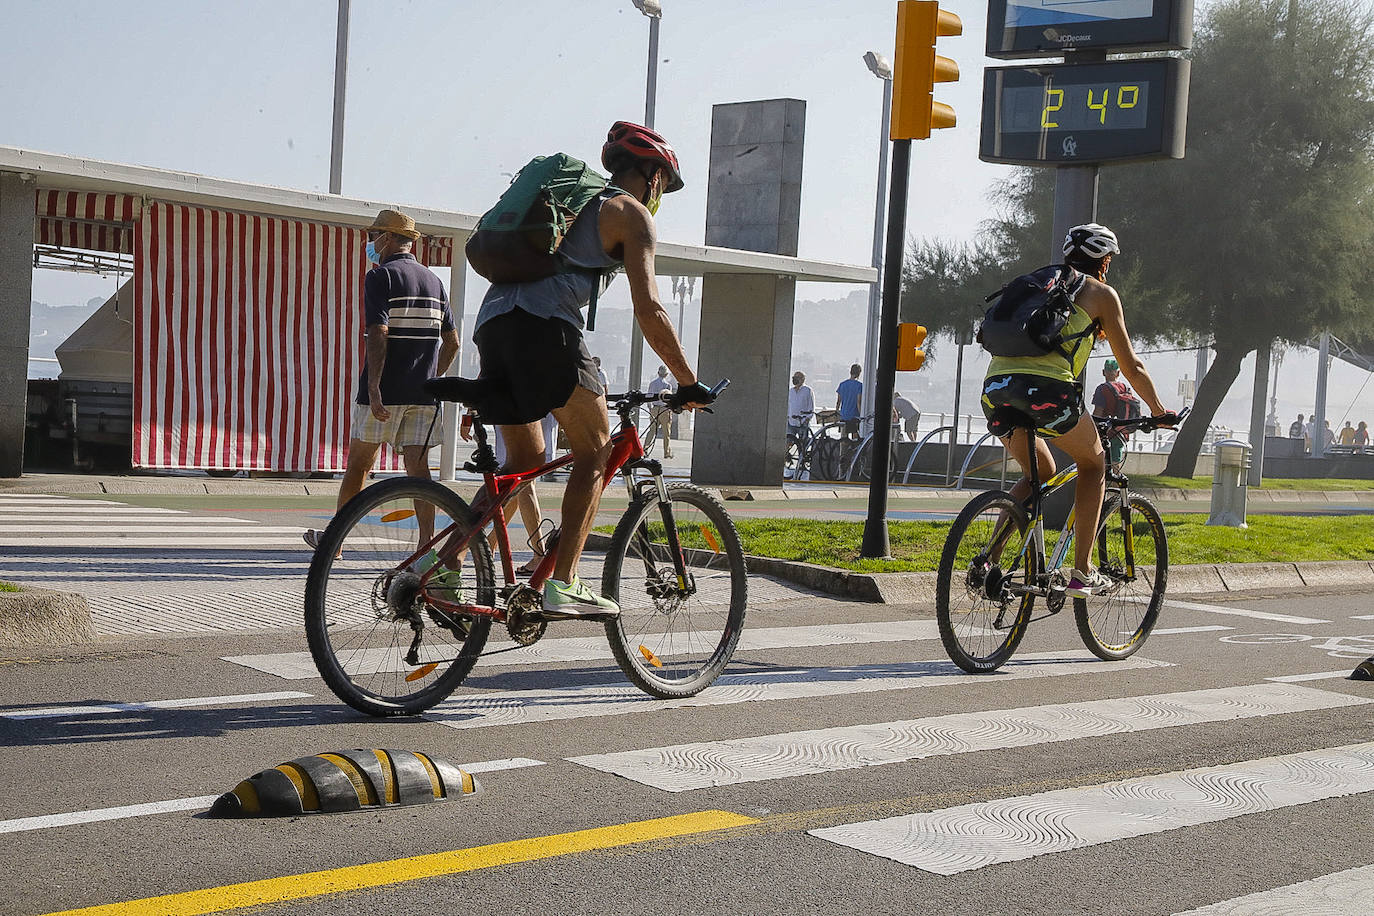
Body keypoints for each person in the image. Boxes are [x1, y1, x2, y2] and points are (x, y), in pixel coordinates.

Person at [470, 121, 711, 618]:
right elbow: (651, 310)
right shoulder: (631, 213)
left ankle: (446, 565)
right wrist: (688, 383)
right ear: (654, 176)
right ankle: (565, 583)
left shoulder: (573, 206)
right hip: (547, 332)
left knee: (524, 461)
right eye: (663, 183)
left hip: (492, 327)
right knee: (595, 450)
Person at [980, 223, 1177, 597]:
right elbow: (1131, 366)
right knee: (1094, 463)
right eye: (1109, 260)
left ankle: (988, 559)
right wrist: (1158, 410)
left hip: (996, 390)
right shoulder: (1100, 293)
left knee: (1040, 473)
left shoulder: (1038, 284)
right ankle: (1083, 571)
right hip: (1048, 392)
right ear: (1103, 260)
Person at [304, 208, 459, 551]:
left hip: (385, 391)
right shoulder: (434, 282)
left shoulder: (381, 276)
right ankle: (426, 546)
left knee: (359, 465)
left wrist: (374, 386)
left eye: (375, 236)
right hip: (423, 395)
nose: (372, 242)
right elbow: (453, 341)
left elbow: (378, 331)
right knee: (420, 473)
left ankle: (335, 544)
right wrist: (433, 377)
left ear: (388, 238)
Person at [1090, 358, 1134, 466]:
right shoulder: (1126, 388)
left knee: (1102, 461)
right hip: (1121, 430)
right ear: (1118, 373)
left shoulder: (1102, 389)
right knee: (1116, 460)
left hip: (1106, 431)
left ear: (1103, 372)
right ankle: (1116, 481)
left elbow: (1098, 413)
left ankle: (1102, 482)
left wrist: (1092, 429)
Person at [646, 365, 674, 458]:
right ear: (666, 375)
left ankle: (645, 449)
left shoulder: (652, 383)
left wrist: (650, 408)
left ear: (658, 373)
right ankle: (666, 452)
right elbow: (669, 400)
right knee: (666, 433)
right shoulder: (668, 385)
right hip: (664, 409)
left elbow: (648, 396)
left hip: (654, 408)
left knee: (652, 430)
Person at [836, 364, 863, 439]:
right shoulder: (859, 385)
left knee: (843, 437)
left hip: (844, 415)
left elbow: (838, 401)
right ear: (859, 373)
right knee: (855, 436)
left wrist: (837, 412)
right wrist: (862, 416)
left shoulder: (842, 384)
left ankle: (843, 450)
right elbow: (858, 402)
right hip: (854, 415)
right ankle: (854, 450)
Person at [787, 371, 815, 441]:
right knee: (788, 442)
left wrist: (807, 419)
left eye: (797, 378)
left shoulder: (808, 391)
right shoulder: (790, 391)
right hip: (791, 422)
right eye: (793, 377)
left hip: (803, 422)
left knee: (803, 444)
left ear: (802, 379)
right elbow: (788, 405)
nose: (794, 379)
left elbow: (811, 406)